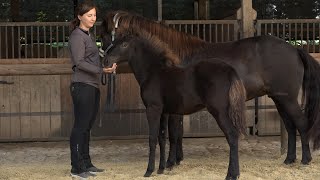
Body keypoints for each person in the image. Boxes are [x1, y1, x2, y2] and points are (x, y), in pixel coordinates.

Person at [68, 1, 117, 178]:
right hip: (82, 85)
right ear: (80, 16)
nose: (93, 18)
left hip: (92, 85)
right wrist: (100, 70)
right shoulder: (77, 36)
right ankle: (76, 167)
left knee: (87, 127)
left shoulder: (88, 36)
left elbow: (92, 59)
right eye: (89, 15)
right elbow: (79, 63)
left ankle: (86, 163)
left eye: (94, 15)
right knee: (80, 126)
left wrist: (108, 66)